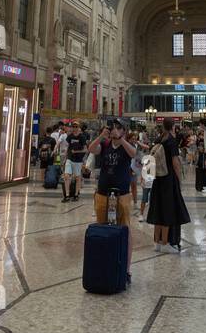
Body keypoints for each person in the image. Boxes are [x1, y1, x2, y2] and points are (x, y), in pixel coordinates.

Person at [88, 119, 137, 285]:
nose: (114, 130)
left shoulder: (125, 146)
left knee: (125, 228)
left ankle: (127, 269)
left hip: (122, 193)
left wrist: (121, 139)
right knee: (101, 227)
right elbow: (92, 149)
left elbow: (133, 154)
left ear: (123, 130)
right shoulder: (105, 146)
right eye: (112, 128)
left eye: (118, 128)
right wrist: (101, 136)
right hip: (103, 193)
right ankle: (103, 264)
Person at [146, 120, 191, 252]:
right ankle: (165, 243)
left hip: (157, 178)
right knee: (167, 209)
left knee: (157, 208)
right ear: (173, 127)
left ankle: (157, 242)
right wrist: (179, 179)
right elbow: (175, 162)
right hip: (168, 179)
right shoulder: (171, 141)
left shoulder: (159, 139)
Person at [61, 121, 87, 203]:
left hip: (78, 160)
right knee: (66, 176)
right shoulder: (70, 136)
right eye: (73, 127)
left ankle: (76, 194)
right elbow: (68, 146)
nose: (75, 128)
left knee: (77, 177)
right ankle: (67, 195)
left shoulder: (82, 137)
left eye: (76, 127)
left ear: (78, 127)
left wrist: (76, 152)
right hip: (70, 159)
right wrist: (65, 157)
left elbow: (85, 149)